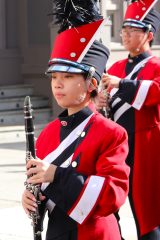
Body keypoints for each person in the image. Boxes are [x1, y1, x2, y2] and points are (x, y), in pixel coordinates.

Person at [22, 1, 130, 240]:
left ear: (92, 84)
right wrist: (31, 198)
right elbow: (43, 187)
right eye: (54, 77)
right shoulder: (48, 132)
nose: (58, 83)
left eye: (68, 76)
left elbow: (113, 195)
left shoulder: (112, 133)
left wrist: (56, 175)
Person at [97, 0, 160, 239]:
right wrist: (101, 102)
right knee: (112, 197)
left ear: (148, 35)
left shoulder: (156, 65)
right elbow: (107, 103)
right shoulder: (117, 65)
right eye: (124, 30)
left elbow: (156, 92)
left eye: (132, 30)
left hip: (146, 141)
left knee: (146, 204)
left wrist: (121, 84)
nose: (125, 35)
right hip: (119, 144)